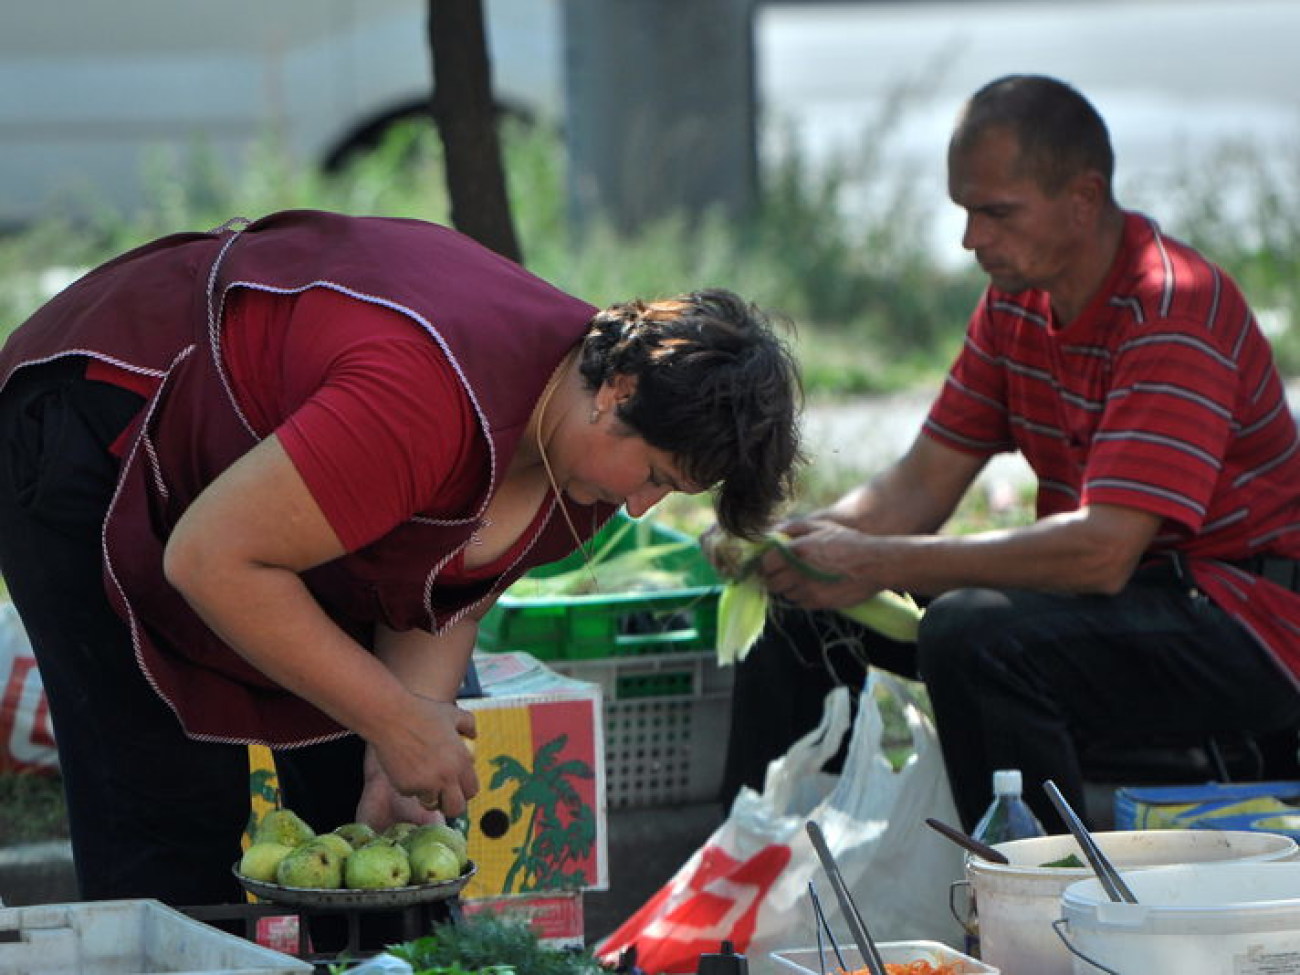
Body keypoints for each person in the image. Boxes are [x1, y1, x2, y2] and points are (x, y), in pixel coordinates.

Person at [0, 208, 802, 909]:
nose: (640, 507)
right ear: (618, 391)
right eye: (656, 475)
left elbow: (445, 588)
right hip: (98, 418)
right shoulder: (422, 399)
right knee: (172, 817)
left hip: (260, 499)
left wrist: (398, 743)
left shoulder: (580, 459)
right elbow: (212, 560)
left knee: (376, 832)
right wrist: (390, 715)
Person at [720, 74, 1300, 834]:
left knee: (974, 633)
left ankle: (1041, 909)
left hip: (1242, 625)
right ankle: (738, 898)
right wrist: (805, 544)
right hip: (1115, 607)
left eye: (996, 213)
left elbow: (1101, 554)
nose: (970, 240)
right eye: (965, 211)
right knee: (799, 606)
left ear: (1083, 200)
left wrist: (879, 558)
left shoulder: (1172, 308)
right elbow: (920, 482)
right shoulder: (1015, 303)